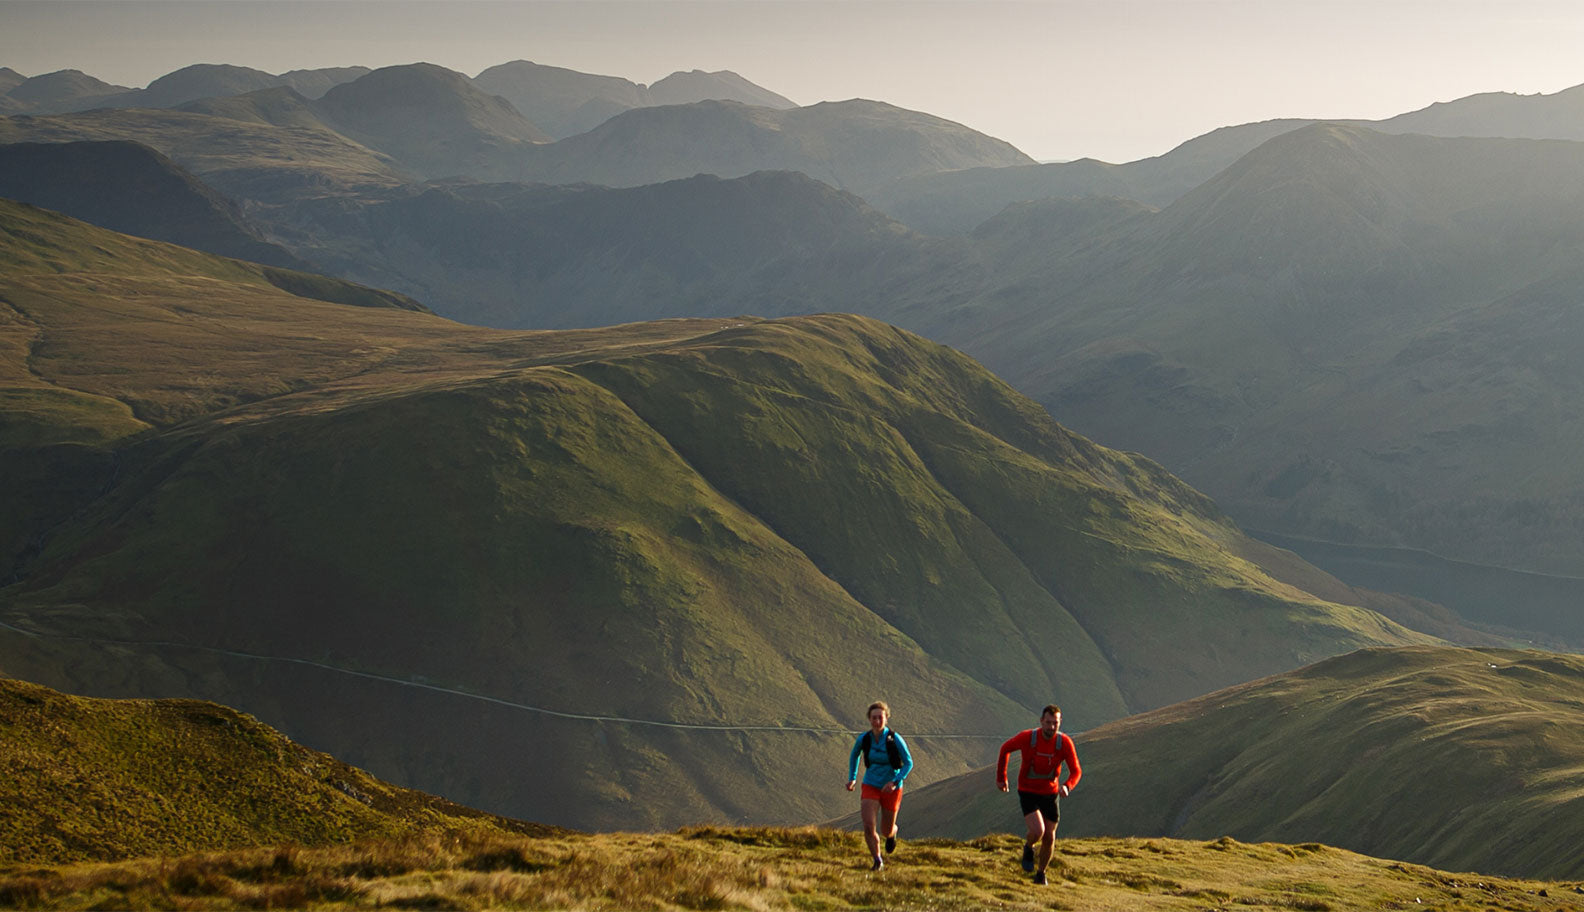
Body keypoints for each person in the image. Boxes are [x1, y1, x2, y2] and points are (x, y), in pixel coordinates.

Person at [995, 704, 1081, 885]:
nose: (1051, 727)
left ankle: (1041, 874)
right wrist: (1001, 778)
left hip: (1050, 793)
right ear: (1041, 721)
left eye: (1055, 723)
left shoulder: (1064, 743)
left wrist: (1067, 786)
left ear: (1060, 723)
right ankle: (1028, 847)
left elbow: (1076, 771)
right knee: (1038, 831)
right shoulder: (1028, 738)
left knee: (1050, 836)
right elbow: (1005, 749)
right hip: (1028, 791)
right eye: (1048, 723)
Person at [846, 700, 913, 871]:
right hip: (870, 785)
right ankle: (877, 860)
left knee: (886, 830)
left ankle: (893, 833)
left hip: (892, 788)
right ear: (869, 719)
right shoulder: (864, 739)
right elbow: (854, 756)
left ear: (886, 718)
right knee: (868, 826)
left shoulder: (894, 739)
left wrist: (895, 781)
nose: (877, 721)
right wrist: (852, 778)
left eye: (880, 718)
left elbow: (908, 763)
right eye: (874, 718)